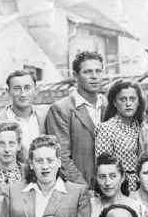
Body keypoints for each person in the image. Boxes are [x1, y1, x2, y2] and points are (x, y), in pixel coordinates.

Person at [7, 135, 90, 217]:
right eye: (39, 161)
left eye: (50, 160)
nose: (45, 166)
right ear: (31, 164)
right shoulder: (14, 192)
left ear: (59, 162)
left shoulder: (77, 193)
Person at [45, 51, 106, 185]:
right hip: (78, 190)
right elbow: (61, 157)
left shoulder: (109, 106)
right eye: (87, 72)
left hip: (110, 187)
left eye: (98, 71)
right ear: (75, 76)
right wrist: (83, 189)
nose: (94, 76)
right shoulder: (61, 109)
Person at [0, 69, 47, 170]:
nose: (23, 93)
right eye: (17, 88)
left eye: (27, 88)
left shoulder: (47, 116)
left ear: (35, 90)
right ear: (8, 92)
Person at [94, 80, 145, 192]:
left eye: (132, 99)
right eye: (123, 99)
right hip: (120, 188)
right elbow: (104, 166)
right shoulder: (106, 128)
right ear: (115, 103)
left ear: (139, 102)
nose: (128, 103)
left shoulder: (142, 128)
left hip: (144, 188)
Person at [88, 153, 137, 217]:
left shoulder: (135, 206)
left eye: (113, 176)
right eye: (102, 177)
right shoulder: (91, 205)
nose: (107, 182)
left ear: (122, 177)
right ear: (96, 178)